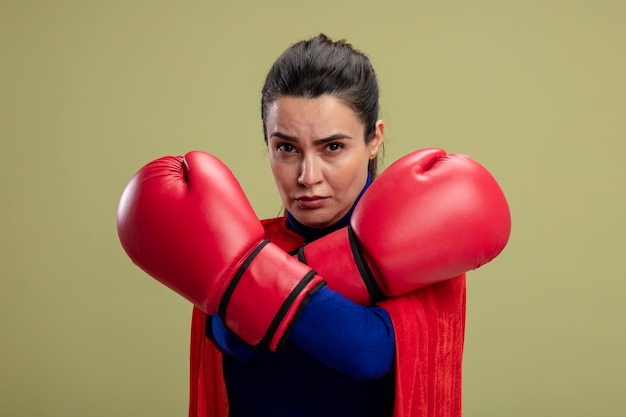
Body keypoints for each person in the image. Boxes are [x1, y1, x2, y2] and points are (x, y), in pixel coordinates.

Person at [116, 34, 511, 417]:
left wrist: (244, 277)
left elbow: (368, 352)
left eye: (332, 147)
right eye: (286, 148)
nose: (308, 176)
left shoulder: (432, 245)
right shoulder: (250, 241)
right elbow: (231, 339)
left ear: (374, 139)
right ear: (267, 143)